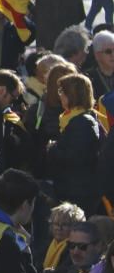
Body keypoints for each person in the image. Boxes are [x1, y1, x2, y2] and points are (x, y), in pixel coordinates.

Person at [48, 73, 101, 213]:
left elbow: (76, 158)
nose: (59, 95)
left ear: (72, 94)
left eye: (62, 91)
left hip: (78, 192)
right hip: (72, 187)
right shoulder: (72, 119)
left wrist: (53, 148)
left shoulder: (82, 122)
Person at [43, 202, 86, 272]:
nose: (59, 228)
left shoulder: (76, 248)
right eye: (56, 224)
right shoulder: (49, 244)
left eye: (65, 224)